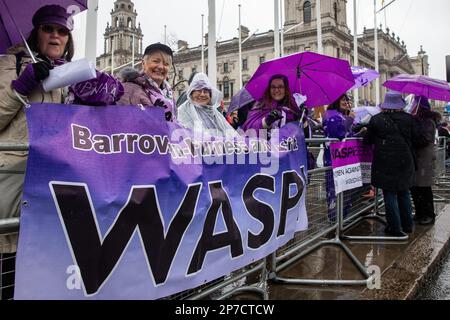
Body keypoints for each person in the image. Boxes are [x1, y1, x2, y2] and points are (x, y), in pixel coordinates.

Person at [0, 5, 77, 256]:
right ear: (36, 33)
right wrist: (20, 87)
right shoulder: (11, 63)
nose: (55, 35)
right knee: (9, 251)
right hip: (13, 172)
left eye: (62, 31)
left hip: (48, 177)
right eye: (48, 29)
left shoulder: (66, 73)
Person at [364, 91, 417, 237]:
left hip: (385, 160)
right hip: (405, 160)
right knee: (404, 191)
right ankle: (407, 225)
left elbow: (368, 140)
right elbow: (416, 139)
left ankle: (395, 228)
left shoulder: (376, 119)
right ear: (400, 105)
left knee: (389, 193)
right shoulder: (409, 119)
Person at [118, 43, 177, 122]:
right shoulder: (127, 90)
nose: (160, 67)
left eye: (166, 64)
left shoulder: (169, 94)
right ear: (143, 64)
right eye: (156, 61)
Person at [322, 94, 355, 221]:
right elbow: (338, 133)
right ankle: (335, 220)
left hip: (345, 159)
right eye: (342, 99)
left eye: (347, 99)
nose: (346, 102)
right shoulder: (331, 114)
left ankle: (343, 218)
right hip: (334, 160)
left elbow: (347, 135)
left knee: (346, 190)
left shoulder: (342, 115)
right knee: (334, 190)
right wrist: (350, 119)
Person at [177, 73, 237, 137]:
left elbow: (230, 135)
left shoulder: (216, 114)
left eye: (205, 91)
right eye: (199, 90)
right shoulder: (183, 111)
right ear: (191, 92)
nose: (202, 94)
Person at [410, 97, 440, 225]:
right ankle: (420, 212)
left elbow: (424, 139)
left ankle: (429, 214)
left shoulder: (428, 122)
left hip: (424, 158)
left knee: (424, 188)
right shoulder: (419, 120)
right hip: (418, 157)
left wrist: (411, 140)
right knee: (416, 188)